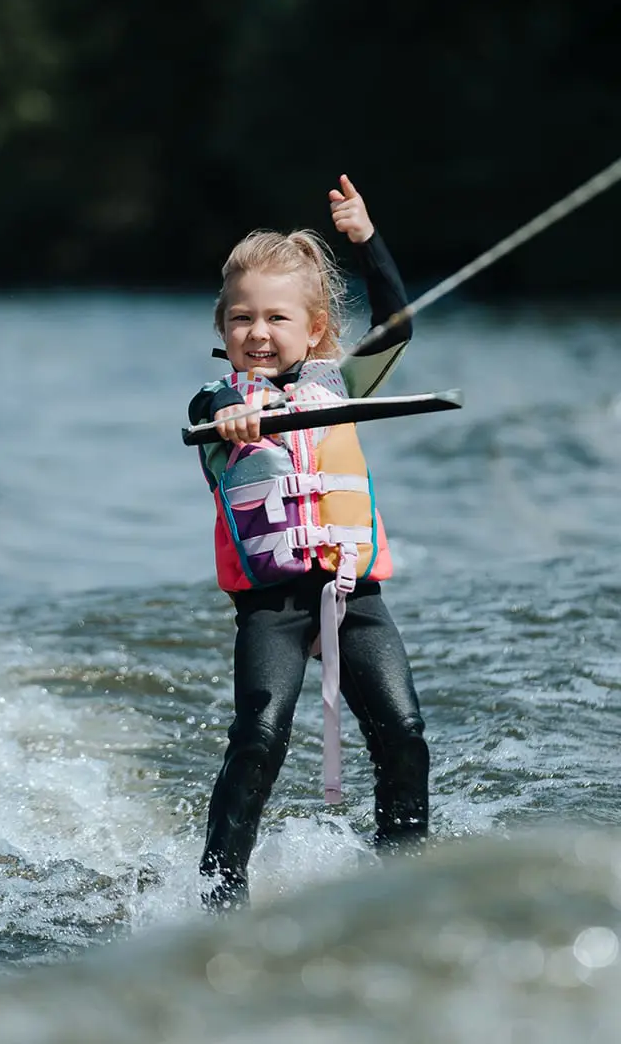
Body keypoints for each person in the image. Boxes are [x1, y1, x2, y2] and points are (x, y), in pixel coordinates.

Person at [188, 175, 429, 911]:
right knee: (259, 736)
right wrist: (236, 416)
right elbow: (217, 407)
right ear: (224, 327)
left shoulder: (344, 382)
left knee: (405, 733)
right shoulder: (216, 405)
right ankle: (220, 896)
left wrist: (364, 239)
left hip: (356, 595)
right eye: (240, 319)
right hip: (273, 605)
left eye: (275, 318)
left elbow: (398, 325)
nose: (257, 333)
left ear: (315, 328)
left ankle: (404, 883)